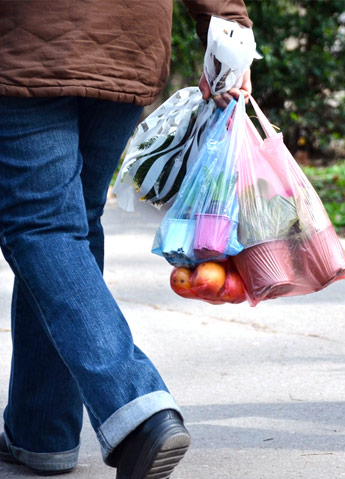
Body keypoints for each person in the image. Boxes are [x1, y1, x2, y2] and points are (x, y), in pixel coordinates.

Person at [0, 1, 252, 476]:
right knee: (70, 225)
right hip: (126, 38)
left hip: (25, 39)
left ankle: (135, 408)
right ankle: (41, 431)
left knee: (43, 226)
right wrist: (229, 29)